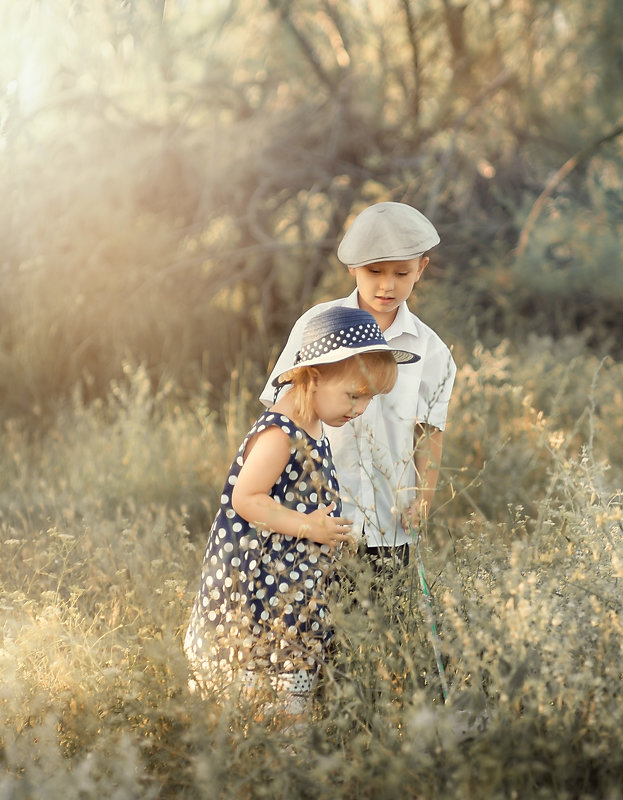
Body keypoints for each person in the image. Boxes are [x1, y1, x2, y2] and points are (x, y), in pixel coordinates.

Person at [184, 305, 420, 726]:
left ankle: (287, 754)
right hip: (257, 589)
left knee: (290, 693)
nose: (362, 407)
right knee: (249, 691)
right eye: (355, 394)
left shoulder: (315, 426)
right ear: (313, 376)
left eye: (368, 398)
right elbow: (247, 498)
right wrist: (309, 526)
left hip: (290, 589)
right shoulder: (280, 433)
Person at [260, 201, 456, 583]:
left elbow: (429, 433)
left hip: (390, 518)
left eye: (402, 272)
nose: (387, 285)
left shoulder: (432, 351)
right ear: (352, 268)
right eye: (374, 271)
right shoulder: (316, 325)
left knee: (383, 620)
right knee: (318, 624)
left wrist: (423, 498)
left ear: (422, 268)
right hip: (317, 512)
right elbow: (279, 414)